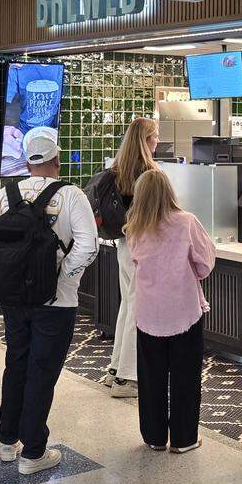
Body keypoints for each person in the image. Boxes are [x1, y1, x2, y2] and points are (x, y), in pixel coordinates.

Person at [0, 134, 98, 476]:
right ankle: (33, 452)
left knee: (16, 363)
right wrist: (61, 276)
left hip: (13, 299)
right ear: (57, 160)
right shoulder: (71, 195)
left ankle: (7, 441)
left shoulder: (5, 195)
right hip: (57, 303)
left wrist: (4, 271)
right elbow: (88, 245)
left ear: (26, 163)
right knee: (42, 371)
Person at [125, 169, 216, 453]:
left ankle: (154, 437)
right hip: (183, 312)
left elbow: (136, 262)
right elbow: (205, 263)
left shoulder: (134, 228)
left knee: (150, 378)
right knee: (185, 376)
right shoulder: (187, 222)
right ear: (169, 191)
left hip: (148, 312)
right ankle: (183, 439)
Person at [103, 117, 159, 398]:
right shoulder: (148, 172)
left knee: (127, 305)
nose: (158, 141)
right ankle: (126, 379)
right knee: (138, 308)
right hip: (142, 244)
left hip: (124, 243)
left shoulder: (118, 168)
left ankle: (115, 368)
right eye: (155, 136)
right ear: (146, 140)